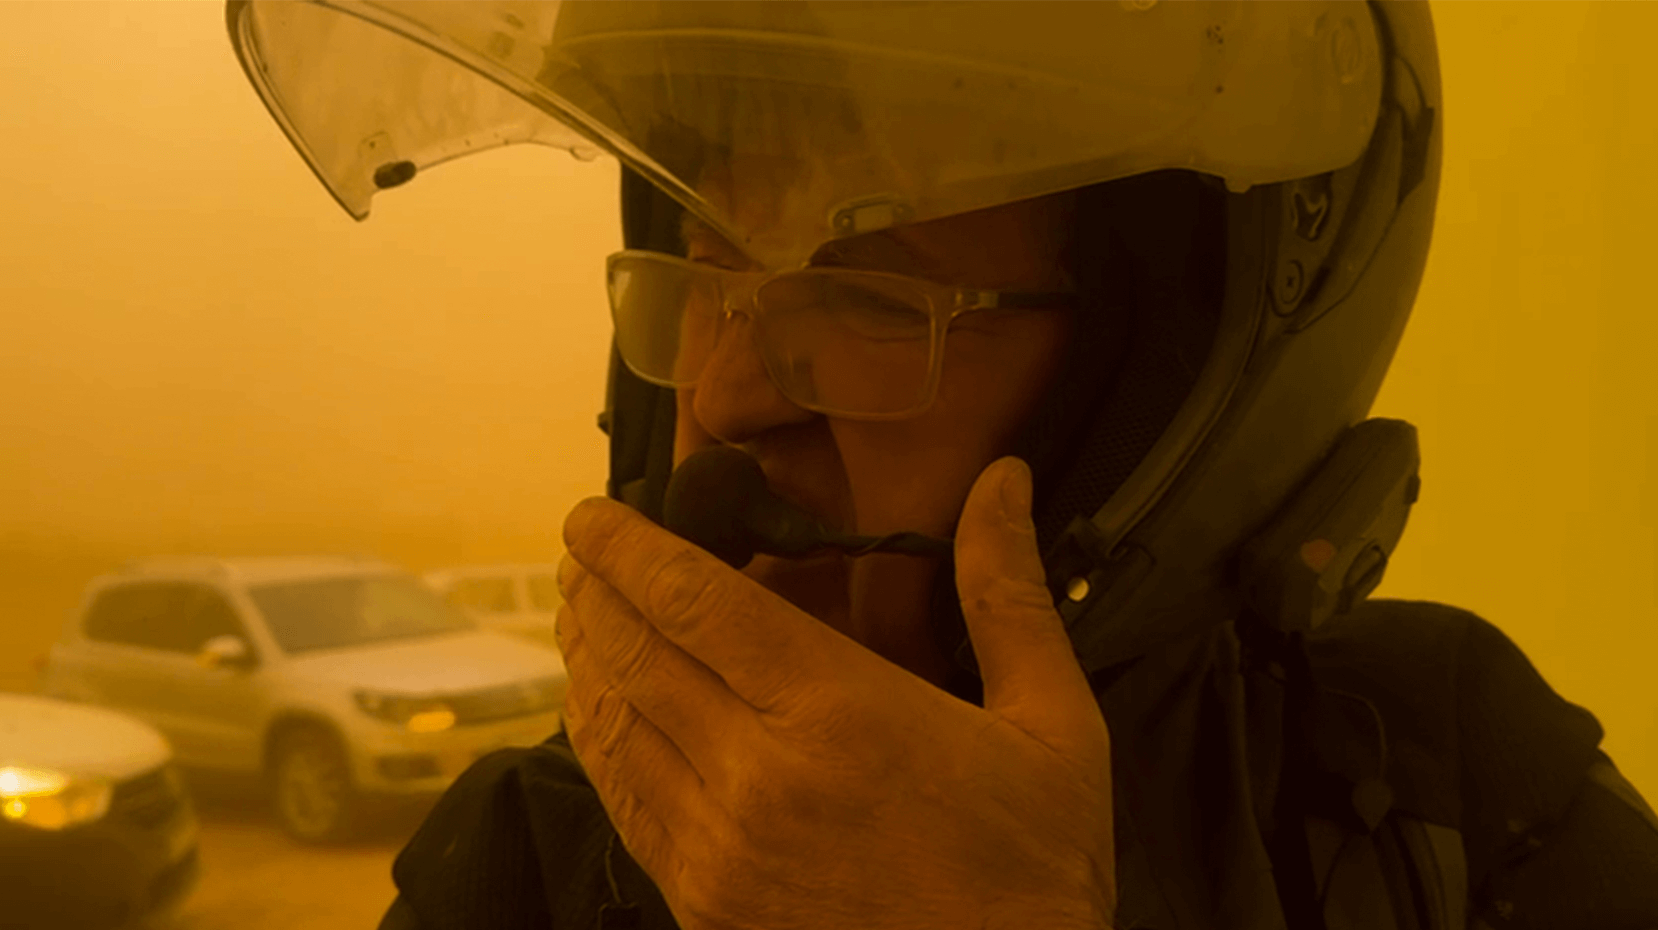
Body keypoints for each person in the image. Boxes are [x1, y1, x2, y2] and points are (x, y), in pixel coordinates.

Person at [226, 2, 1658, 928]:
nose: (722, 397)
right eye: (700, 271)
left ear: (1159, 400)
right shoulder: (526, 865)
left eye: (868, 296)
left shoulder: (1442, 780)